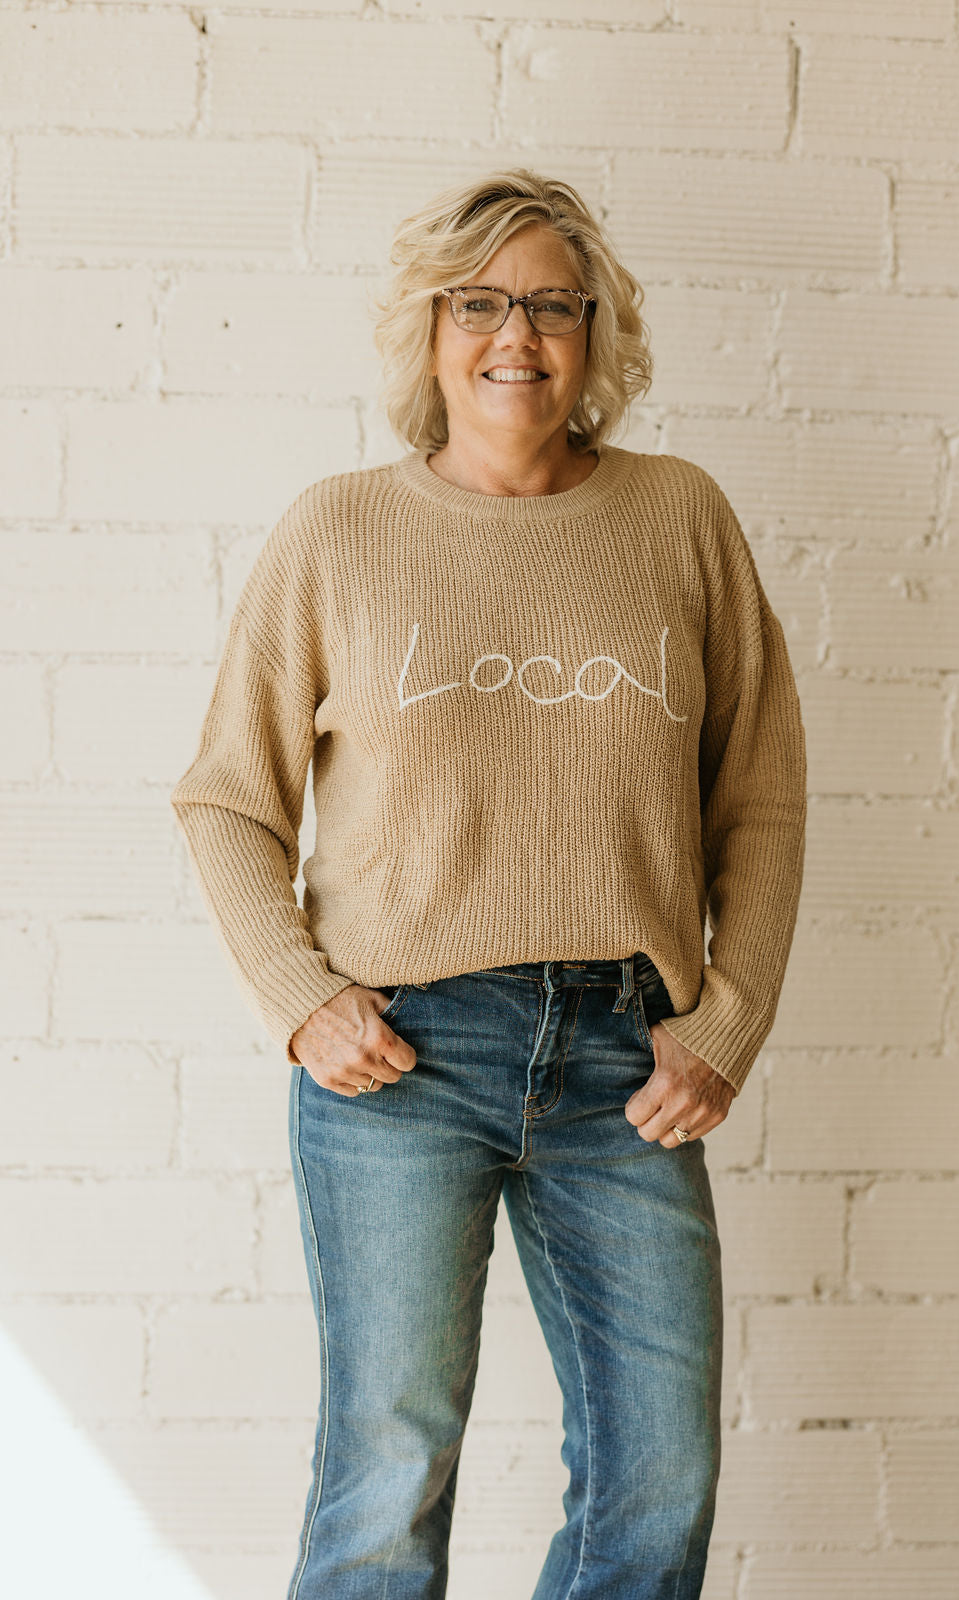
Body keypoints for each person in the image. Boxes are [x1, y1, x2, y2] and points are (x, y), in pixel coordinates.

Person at [170, 168, 807, 1600]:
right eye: (479, 303)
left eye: (551, 305)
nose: (516, 335)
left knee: (660, 1474)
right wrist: (300, 998)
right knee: (388, 1472)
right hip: (402, 1059)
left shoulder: (679, 518)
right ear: (430, 329)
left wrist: (729, 1018)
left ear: (595, 333)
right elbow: (225, 799)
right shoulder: (338, 532)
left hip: (626, 1059)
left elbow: (761, 794)